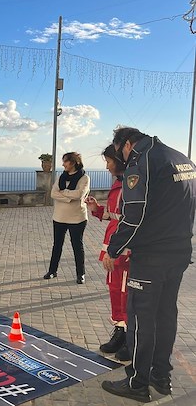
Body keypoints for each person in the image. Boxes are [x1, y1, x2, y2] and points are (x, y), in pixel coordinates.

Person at [101, 126, 196, 403]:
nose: (120, 157)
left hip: (151, 256)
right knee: (166, 314)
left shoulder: (141, 162)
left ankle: (137, 382)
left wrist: (113, 250)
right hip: (179, 251)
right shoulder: (182, 158)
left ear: (126, 144)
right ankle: (160, 377)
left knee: (141, 317)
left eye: (119, 150)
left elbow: (133, 215)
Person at [85, 144, 130, 361]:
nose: (107, 166)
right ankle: (120, 331)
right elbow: (114, 215)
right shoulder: (119, 183)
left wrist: (121, 250)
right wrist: (97, 209)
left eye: (109, 161)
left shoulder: (132, 184)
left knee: (125, 292)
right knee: (115, 290)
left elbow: (132, 221)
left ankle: (130, 336)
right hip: (113, 245)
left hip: (124, 248)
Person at [44, 152, 90, 284]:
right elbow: (53, 193)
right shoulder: (61, 177)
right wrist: (69, 197)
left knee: (77, 246)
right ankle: (52, 271)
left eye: (65, 161)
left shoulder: (84, 178)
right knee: (57, 245)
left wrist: (63, 193)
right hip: (59, 217)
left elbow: (80, 194)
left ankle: (80, 274)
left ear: (74, 162)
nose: (63, 164)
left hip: (77, 218)